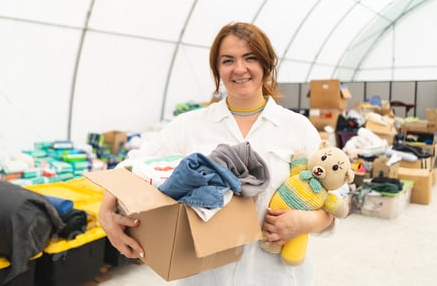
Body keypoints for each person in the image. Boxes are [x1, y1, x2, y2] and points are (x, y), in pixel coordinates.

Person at [98, 22, 335, 285]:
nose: (239, 69)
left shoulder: (297, 128)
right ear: (217, 69)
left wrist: (306, 222)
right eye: (227, 60)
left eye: (250, 58)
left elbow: (334, 200)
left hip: (276, 276)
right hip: (204, 278)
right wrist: (106, 214)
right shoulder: (189, 126)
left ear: (266, 65)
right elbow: (131, 167)